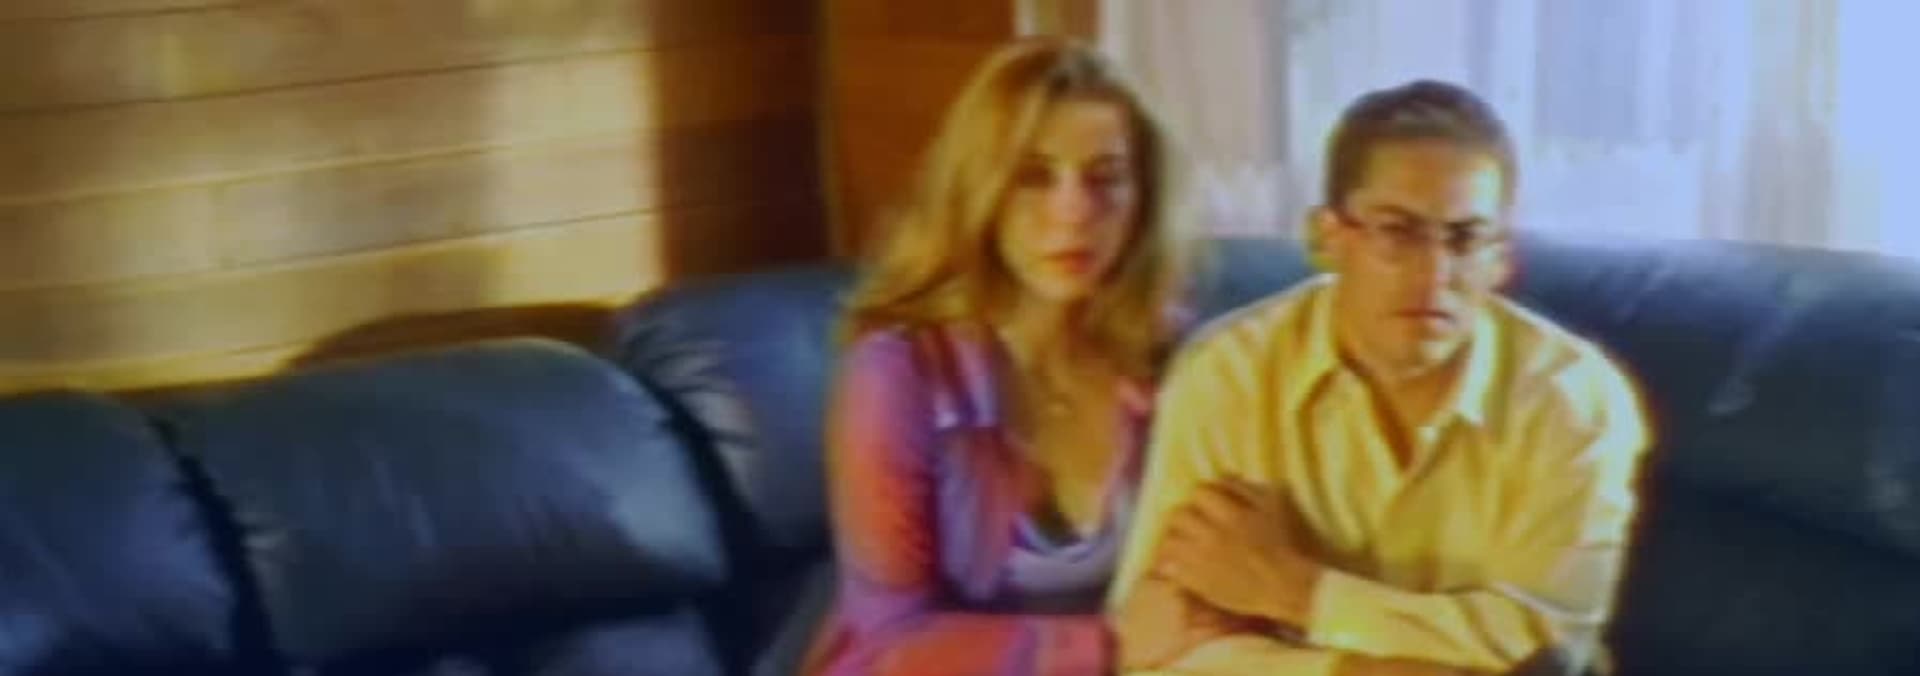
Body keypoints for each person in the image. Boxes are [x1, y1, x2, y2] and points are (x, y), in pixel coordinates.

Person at [1107, 80, 1652, 676]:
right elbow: (1157, 640)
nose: (1435, 274)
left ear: (1501, 258)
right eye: (1398, 232)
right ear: (1326, 238)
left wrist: (1300, 594)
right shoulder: (1228, 375)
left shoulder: (1575, 399)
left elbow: (1546, 645)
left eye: (1465, 239)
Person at [800, 37, 1199, 675]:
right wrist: (1106, 644)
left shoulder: (1176, 362)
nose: (1074, 213)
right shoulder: (899, 374)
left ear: (1143, 198)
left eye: (1105, 179)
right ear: (979, 191)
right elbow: (888, 637)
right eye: (1033, 177)